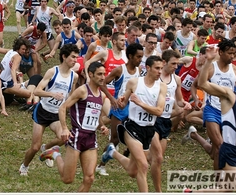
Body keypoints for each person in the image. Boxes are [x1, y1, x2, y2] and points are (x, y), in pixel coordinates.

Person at [100, 55, 167, 192]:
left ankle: (112, 152)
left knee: (132, 170)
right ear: (148, 68)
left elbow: (159, 111)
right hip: (133, 127)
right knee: (143, 165)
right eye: (157, 68)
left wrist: (140, 103)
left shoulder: (161, 87)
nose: (160, 71)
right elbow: (123, 104)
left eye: (161, 68)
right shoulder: (134, 83)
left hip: (149, 129)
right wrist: (120, 102)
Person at [39, 62, 109, 192]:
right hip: (77, 136)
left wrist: (102, 126)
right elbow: (63, 108)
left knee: (89, 178)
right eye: (99, 74)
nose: (103, 77)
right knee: (67, 179)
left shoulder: (102, 95)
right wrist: (65, 128)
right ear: (90, 74)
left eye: (104, 74)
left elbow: (96, 113)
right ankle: (55, 154)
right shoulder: (82, 90)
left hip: (91, 138)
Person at [192, 50, 236, 192]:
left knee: (224, 189)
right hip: (229, 151)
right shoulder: (229, 95)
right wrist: (208, 62)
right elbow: (202, 84)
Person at [19, 44, 79, 176]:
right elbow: (37, 91)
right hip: (42, 111)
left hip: (57, 114)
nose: (75, 60)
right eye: (73, 57)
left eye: (77, 57)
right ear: (64, 56)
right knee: (34, 147)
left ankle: (46, 148)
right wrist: (52, 94)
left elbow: (71, 97)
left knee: (64, 138)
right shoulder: (53, 72)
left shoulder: (74, 77)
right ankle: (24, 166)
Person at [182, 39, 236, 170]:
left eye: (234, 53)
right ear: (220, 52)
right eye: (229, 53)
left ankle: (194, 135)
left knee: (215, 153)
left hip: (228, 113)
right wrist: (196, 99)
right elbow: (197, 84)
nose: (232, 56)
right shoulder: (211, 68)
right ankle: (218, 185)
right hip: (212, 110)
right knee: (221, 147)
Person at [95, 43, 144, 176]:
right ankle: (100, 165)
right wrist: (112, 99)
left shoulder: (139, 70)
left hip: (133, 107)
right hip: (119, 108)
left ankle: (128, 152)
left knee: (135, 135)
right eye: (138, 57)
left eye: (142, 57)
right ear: (130, 56)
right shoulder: (120, 70)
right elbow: (103, 83)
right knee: (115, 140)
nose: (140, 59)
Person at [148, 50, 190, 192]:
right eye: (173, 63)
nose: (175, 67)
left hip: (166, 120)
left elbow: (179, 101)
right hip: (153, 120)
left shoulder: (176, 80)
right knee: (158, 158)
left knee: (151, 159)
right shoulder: (154, 78)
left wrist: (185, 104)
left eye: (177, 64)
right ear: (164, 62)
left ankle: (129, 156)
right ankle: (158, 191)